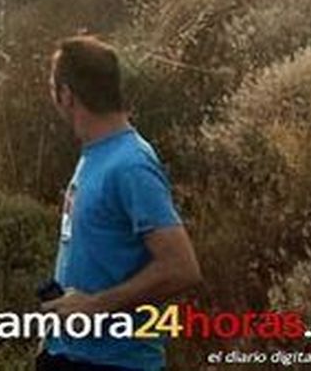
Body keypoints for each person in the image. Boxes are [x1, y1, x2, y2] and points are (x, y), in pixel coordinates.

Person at [39, 35, 202, 371]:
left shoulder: (131, 165)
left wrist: (97, 306)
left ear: (67, 95)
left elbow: (182, 268)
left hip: (114, 363)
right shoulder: (96, 152)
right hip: (68, 353)